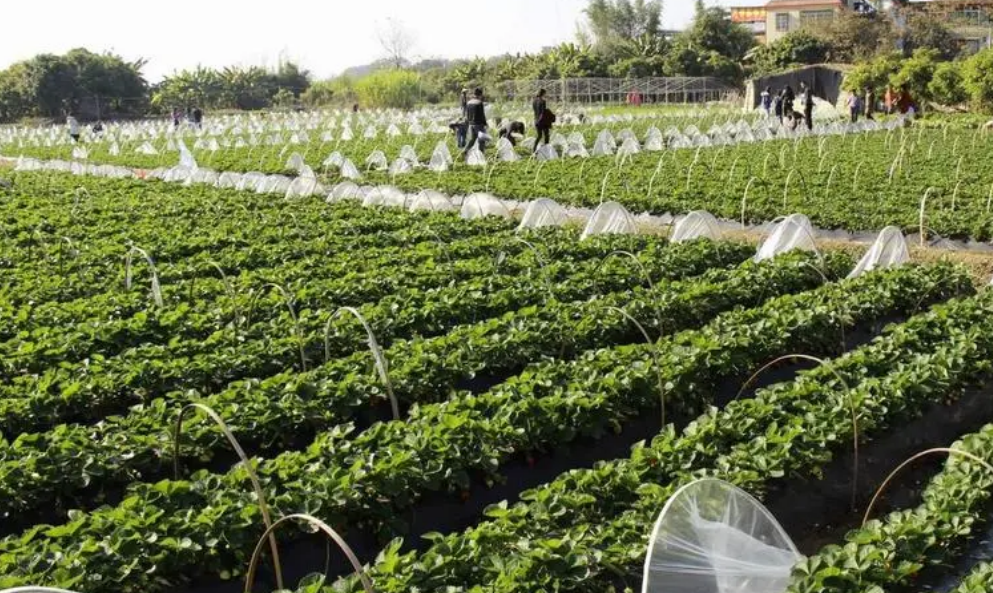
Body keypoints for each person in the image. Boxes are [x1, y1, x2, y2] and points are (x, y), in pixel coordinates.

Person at [462, 87, 488, 157]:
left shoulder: (469, 102)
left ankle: (465, 150)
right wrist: (485, 123)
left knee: (472, 139)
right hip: (478, 124)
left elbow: (467, 114)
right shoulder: (479, 103)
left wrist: (468, 123)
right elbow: (482, 115)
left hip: (471, 124)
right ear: (480, 94)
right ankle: (481, 154)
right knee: (481, 140)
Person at [532, 88, 554, 153]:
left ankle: (534, 149)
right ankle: (546, 149)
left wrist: (537, 121)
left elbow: (535, 111)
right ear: (543, 93)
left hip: (536, 120)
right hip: (542, 121)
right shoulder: (543, 101)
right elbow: (543, 113)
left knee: (539, 136)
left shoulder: (534, 101)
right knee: (546, 135)